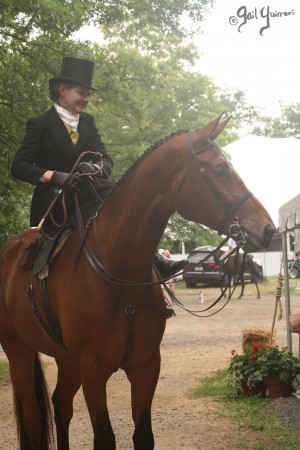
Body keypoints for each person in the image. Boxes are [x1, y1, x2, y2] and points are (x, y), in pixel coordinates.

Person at [11, 56, 186, 279]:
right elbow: (19, 167)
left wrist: (97, 169)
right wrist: (54, 176)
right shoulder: (39, 124)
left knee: (126, 210)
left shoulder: (88, 122)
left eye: (88, 94)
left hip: (90, 193)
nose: (86, 99)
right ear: (62, 89)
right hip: (55, 201)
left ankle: (154, 260)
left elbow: (106, 159)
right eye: (81, 93)